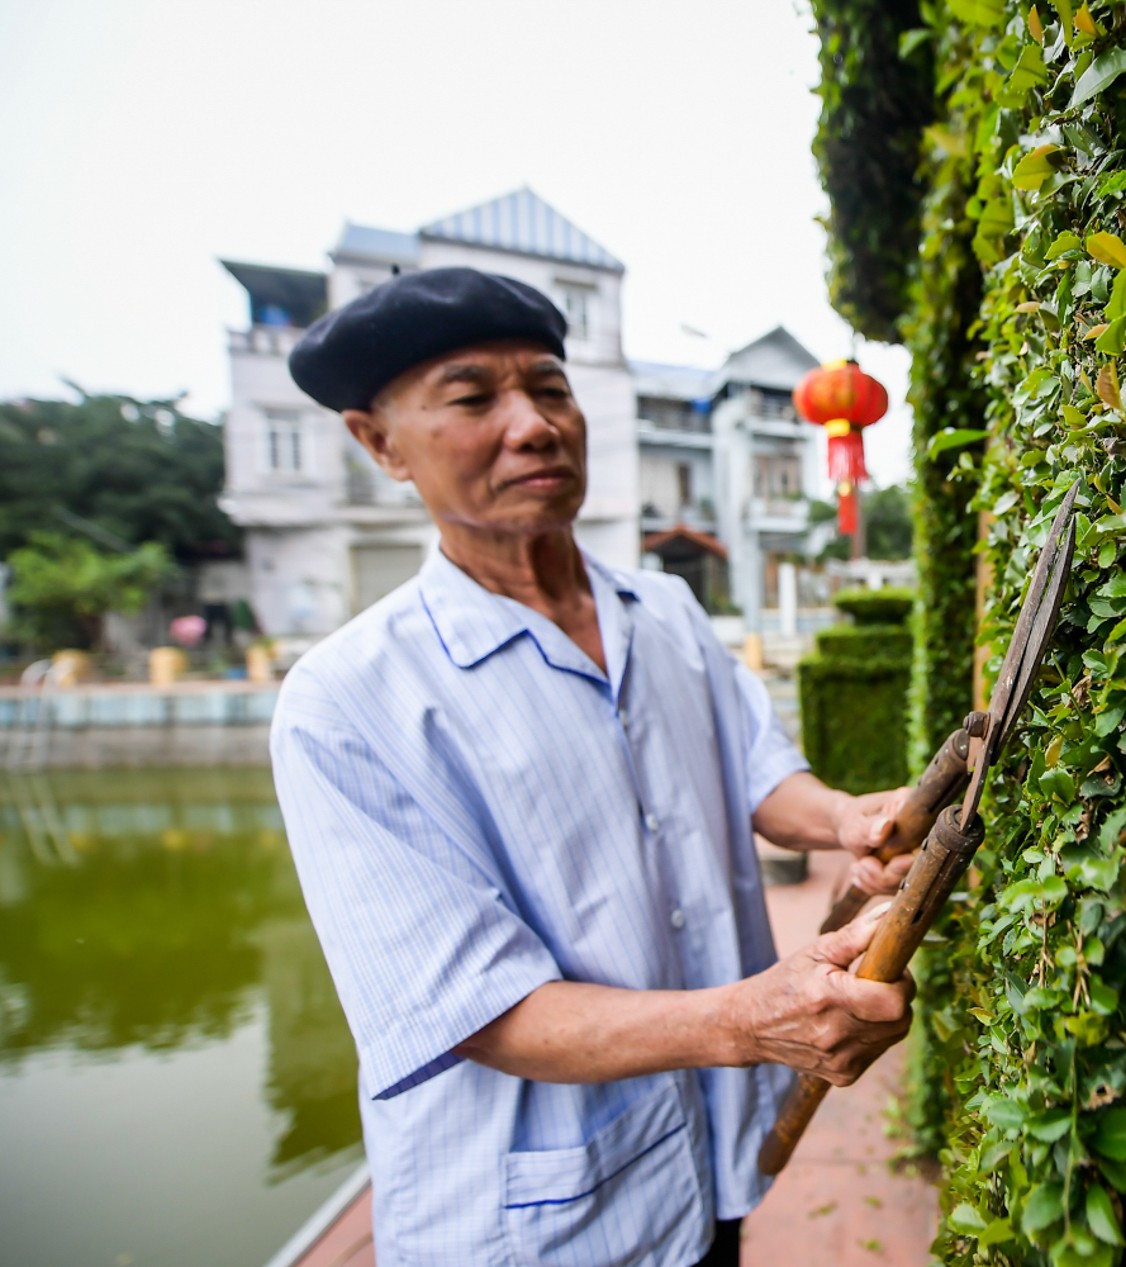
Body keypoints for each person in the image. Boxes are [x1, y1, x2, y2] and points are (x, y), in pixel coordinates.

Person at [270, 267, 916, 1267]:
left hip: (707, 1161)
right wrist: (751, 1018)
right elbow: (475, 1005)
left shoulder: (663, 609)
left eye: (550, 387)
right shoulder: (347, 700)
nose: (533, 424)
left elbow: (755, 773)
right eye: (474, 398)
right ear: (377, 441)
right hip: (533, 1228)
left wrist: (845, 820)